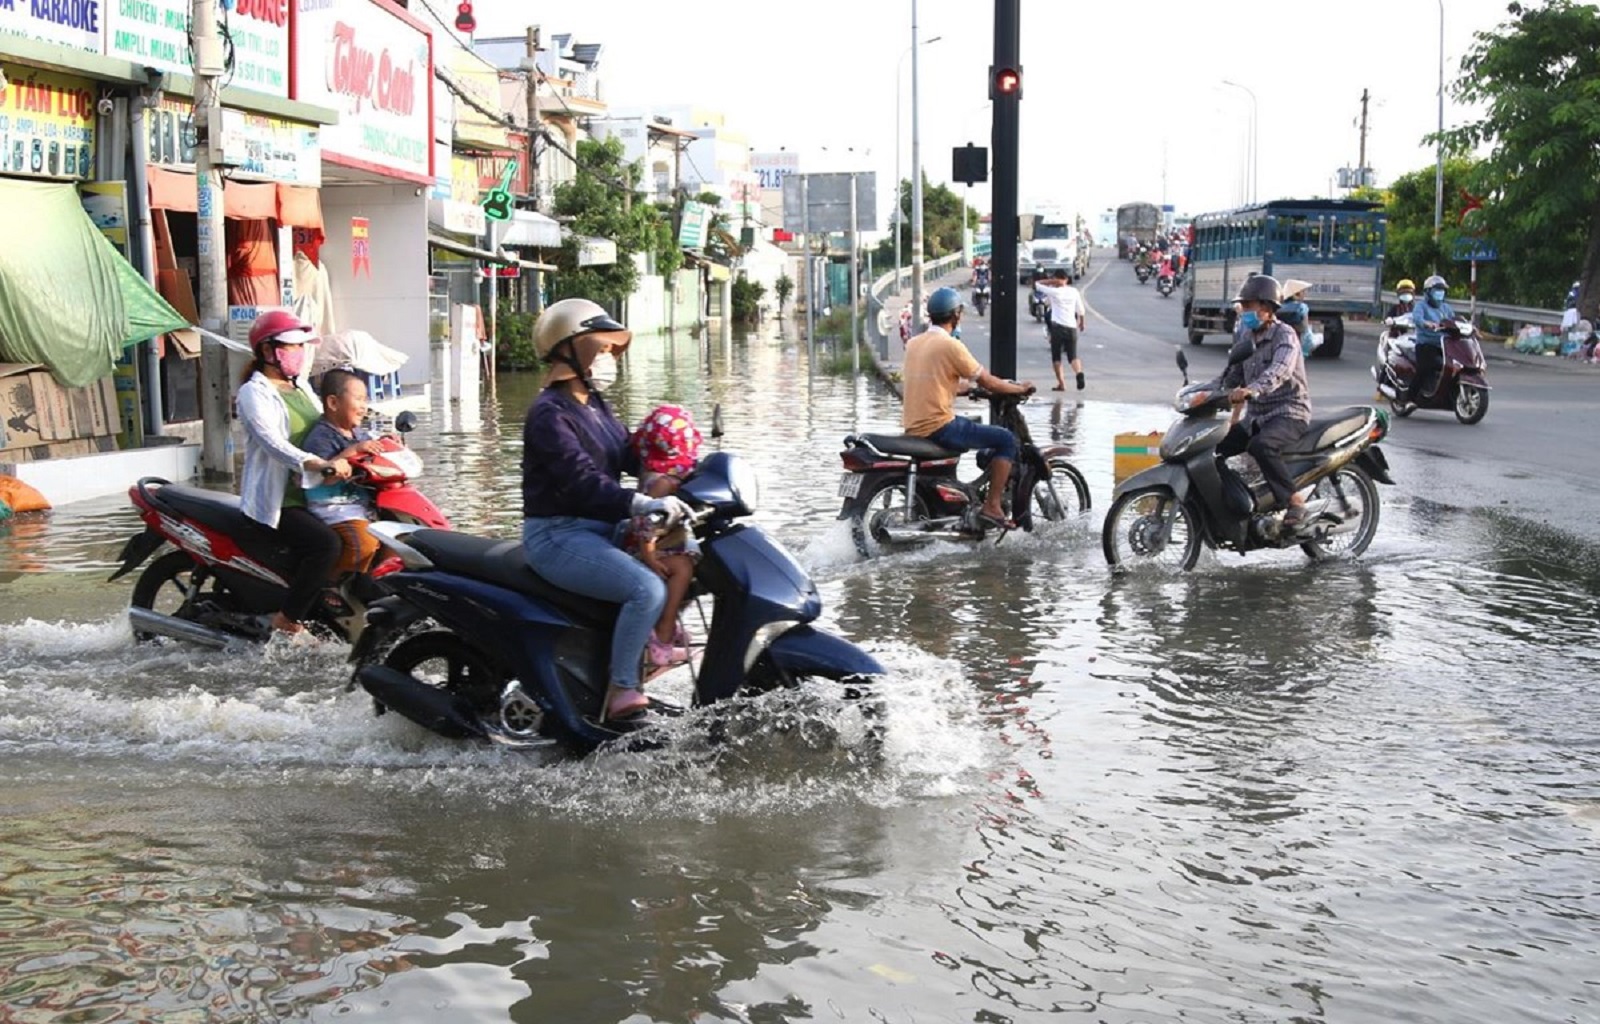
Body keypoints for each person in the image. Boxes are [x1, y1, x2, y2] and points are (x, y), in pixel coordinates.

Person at [520, 298, 688, 723]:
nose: (610, 356)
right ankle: (621, 692)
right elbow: (580, 480)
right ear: (569, 349)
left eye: (614, 350)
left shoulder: (594, 404)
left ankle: (650, 649)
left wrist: (680, 468)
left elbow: (628, 453)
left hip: (601, 529)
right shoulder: (548, 413)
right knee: (645, 589)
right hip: (559, 535)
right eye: (602, 347)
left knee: (683, 558)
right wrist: (641, 501)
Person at [235, 310, 350, 635]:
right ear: (268, 351)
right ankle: (288, 619)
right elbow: (272, 443)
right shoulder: (253, 393)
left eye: (301, 347)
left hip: (313, 492)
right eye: (291, 346)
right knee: (325, 545)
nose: (298, 353)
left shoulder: (300, 389)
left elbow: (328, 423)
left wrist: (366, 440)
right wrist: (317, 464)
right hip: (279, 501)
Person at [901, 286, 1034, 530]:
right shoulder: (950, 346)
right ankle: (993, 506)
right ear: (956, 315)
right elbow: (988, 381)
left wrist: (963, 389)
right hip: (938, 426)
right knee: (1005, 439)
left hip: (913, 425)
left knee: (978, 431)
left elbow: (933, 379)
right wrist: (1019, 389)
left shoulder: (915, 343)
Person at [1210, 275, 1315, 529]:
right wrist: (1206, 394)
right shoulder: (1246, 335)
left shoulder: (1285, 335)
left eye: (1249, 306)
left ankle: (1294, 501)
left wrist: (1251, 390)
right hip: (1256, 417)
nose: (1244, 311)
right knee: (1212, 448)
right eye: (1243, 306)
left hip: (1289, 413)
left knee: (1261, 446)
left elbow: (1279, 371)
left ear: (1267, 308)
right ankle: (1238, 501)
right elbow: (1232, 374)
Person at [625, 404, 703, 667]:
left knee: (697, 563)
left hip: (662, 544)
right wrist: (648, 555)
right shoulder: (663, 482)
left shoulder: (657, 473)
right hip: (645, 550)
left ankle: (667, 617)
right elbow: (645, 519)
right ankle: (663, 631)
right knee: (682, 568)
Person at [301, 369, 388, 576]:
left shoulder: (357, 432)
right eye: (358, 399)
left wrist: (388, 443)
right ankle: (335, 584)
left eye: (365, 400)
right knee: (365, 543)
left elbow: (374, 449)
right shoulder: (321, 436)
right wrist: (352, 452)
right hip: (334, 508)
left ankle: (371, 583)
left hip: (360, 504)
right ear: (333, 403)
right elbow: (326, 476)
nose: (363, 406)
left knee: (398, 539)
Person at [1034, 267, 1088, 391]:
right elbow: (1081, 310)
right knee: (1073, 356)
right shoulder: (1074, 291)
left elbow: (1037, 284)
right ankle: (1079, 373)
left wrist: (1050, 282)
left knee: (1056, 357)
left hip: (1058, 328)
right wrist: (1082, 323)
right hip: (1072, 327)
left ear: (1056, 279)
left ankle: (1061, 383)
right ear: (1067, 279)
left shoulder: (1054, 292)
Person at [1407, 274, 1458, 403]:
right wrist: (1426, 323)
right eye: (1437, 290)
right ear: (1428, 292)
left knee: (1455, 367)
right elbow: (1417, 318)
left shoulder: (1446, 308)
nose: (1440, 293)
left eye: (1442, 290)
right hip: (1426, 344)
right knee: (1425, 368)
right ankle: (1409, 399)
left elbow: (1454, 321)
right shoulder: (1421, 306)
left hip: (1445, 345)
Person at [1278, 279, 1316, 356]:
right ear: (1296, 294)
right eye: (1303, 292)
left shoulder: (1278, 307)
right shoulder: (1302, 307)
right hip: (1297, 346)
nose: (1304, 294)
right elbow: (1304, 328)